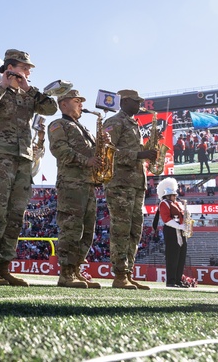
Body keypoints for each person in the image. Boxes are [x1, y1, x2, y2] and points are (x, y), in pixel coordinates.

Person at [0, 49, 57, 286]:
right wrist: (4, 85)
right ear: (11, 66)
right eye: (25, 67)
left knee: (15, 216)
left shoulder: (29, 94)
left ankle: (4, 267)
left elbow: (50, 108)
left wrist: (28, 87)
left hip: (23, 159)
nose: (29, 71)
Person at [103, 89, 158, 289]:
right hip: (120, 184)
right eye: (136, 102)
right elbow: (107, 152)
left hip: (135, 185)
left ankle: (128, 273)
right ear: (124, 101)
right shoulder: (114, 122)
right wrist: (139, 155)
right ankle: (119, 274)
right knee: (121, 229)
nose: (139, 105)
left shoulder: (133, 124)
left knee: (135, 230)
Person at [46, 89, 100, 289]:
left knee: (87, 230)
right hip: (71, 184)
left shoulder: (83, 128)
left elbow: (93, 155)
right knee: (71, 228)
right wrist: (88, 160)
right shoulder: (59, 124)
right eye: (77, 101)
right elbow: (60, 150)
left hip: (88, 184)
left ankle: (76, 269)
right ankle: (66, 273)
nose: (81, 105)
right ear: (63, 104)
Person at [158, 177, 190, 288]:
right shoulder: (164, 203)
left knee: (181, 256)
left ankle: (178, 280)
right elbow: (166, 219)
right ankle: (171, 281)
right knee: (172, 256)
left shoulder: (177, 204)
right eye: (173, 195)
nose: (176, 197)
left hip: (180, 231)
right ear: (168, 195)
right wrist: (180, 226)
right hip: (172, 230)